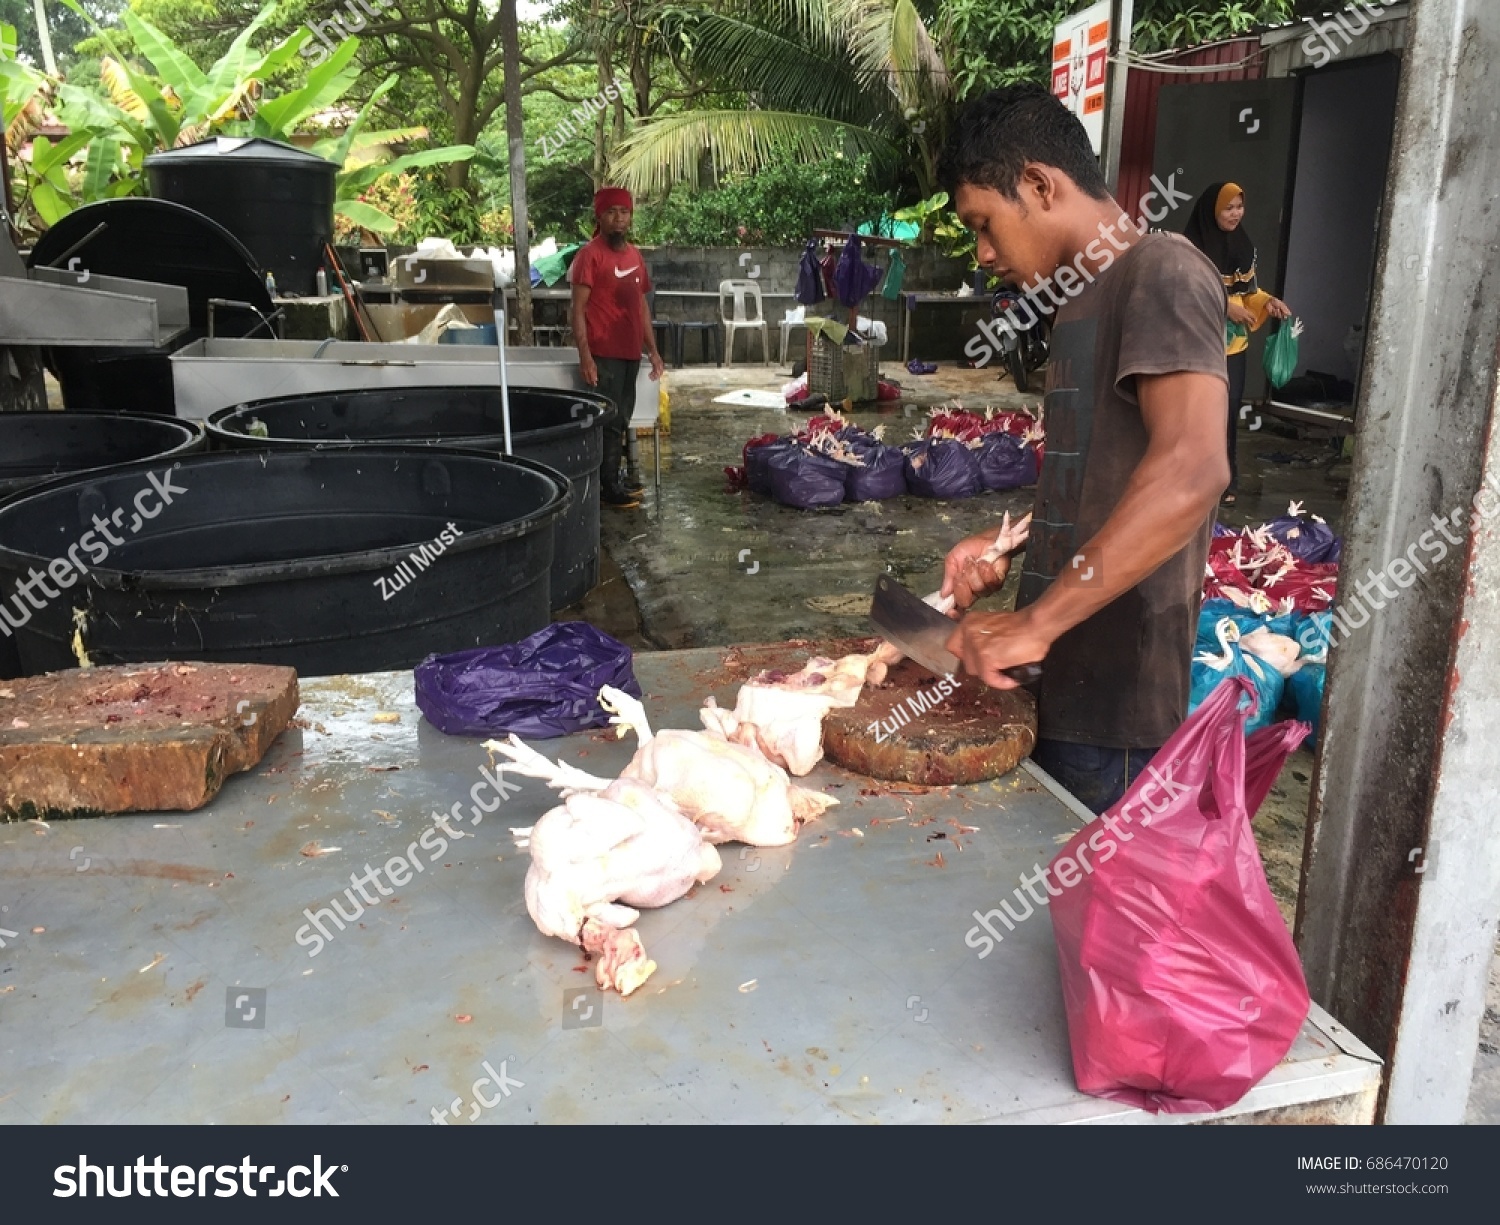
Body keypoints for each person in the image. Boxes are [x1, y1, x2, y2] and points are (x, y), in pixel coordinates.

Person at [934, 85, 1231, 814]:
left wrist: (1036, 622)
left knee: (1085, 924)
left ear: (1038, 183)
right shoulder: (1075, 300)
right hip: (1054, 691)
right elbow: (1105, 474)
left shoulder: (1162, 271)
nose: (983, 252)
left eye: (985, 224)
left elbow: (1193, 469)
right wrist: (1014, 546)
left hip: (1117, 714)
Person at [1181, 182, 1292, 506]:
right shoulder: (1191, 248)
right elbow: (1183, 291)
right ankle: (1189, 480)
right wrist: (1224, 304)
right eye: (1228, 208)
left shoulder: (1243, 246)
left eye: (1239, 207)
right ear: (1213, 210)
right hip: (1198, 344)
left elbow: (1248, 292)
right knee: (1196, 413)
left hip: (1233, 348)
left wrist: (1268, 301)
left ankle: (1225, 481)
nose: (1235, 214)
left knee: (1227, 413)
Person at [569, 187, 665, 507]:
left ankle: (612, 479)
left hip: (629, 353)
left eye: (623, 212)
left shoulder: (635, 256)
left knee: (622, 419)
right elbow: (578, 309)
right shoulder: (590, 255)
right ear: (600, 216)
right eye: (611, 212)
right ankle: (605, 487)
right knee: (606, 421)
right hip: (603, 353)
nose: (618, 219)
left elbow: (641, 307)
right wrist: (586, 356)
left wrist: (652, 350)